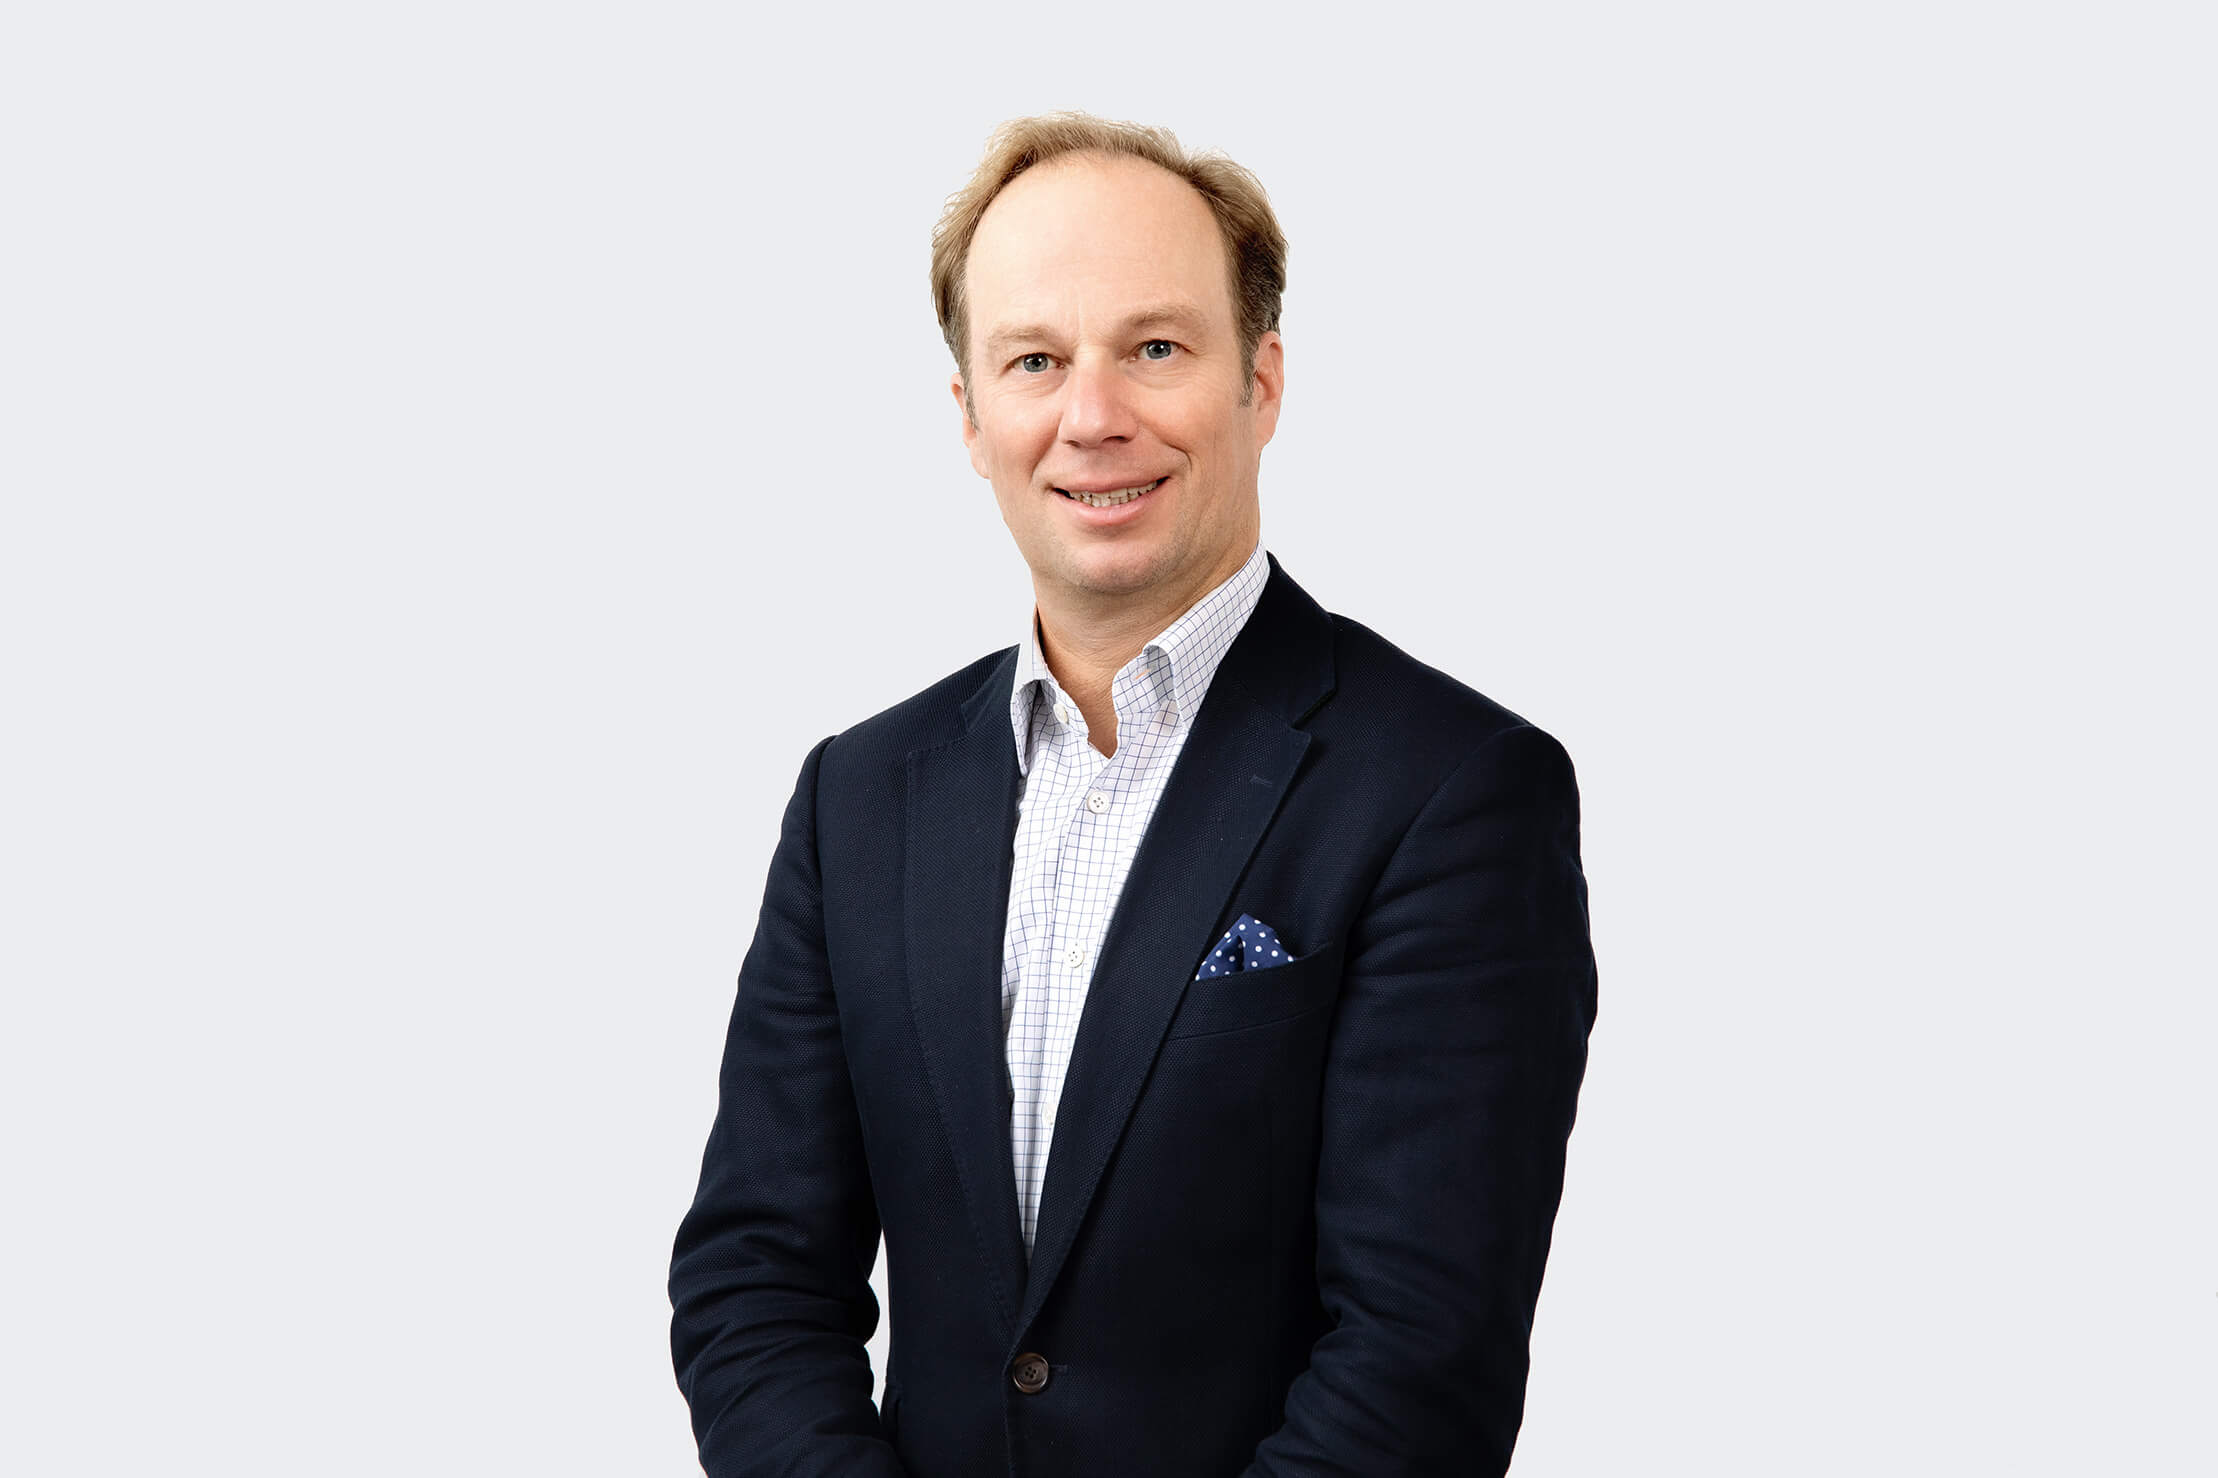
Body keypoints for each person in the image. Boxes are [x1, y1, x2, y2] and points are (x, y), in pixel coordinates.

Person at [669, 112, 1598, 1478]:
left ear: (1260, 381)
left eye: (1156, 348)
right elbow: (753, 1282)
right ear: (971, 415)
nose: (1092, 415)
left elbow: (1420, 1359)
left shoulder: (1451, 791)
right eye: (1035, 360)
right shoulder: (856, 798)